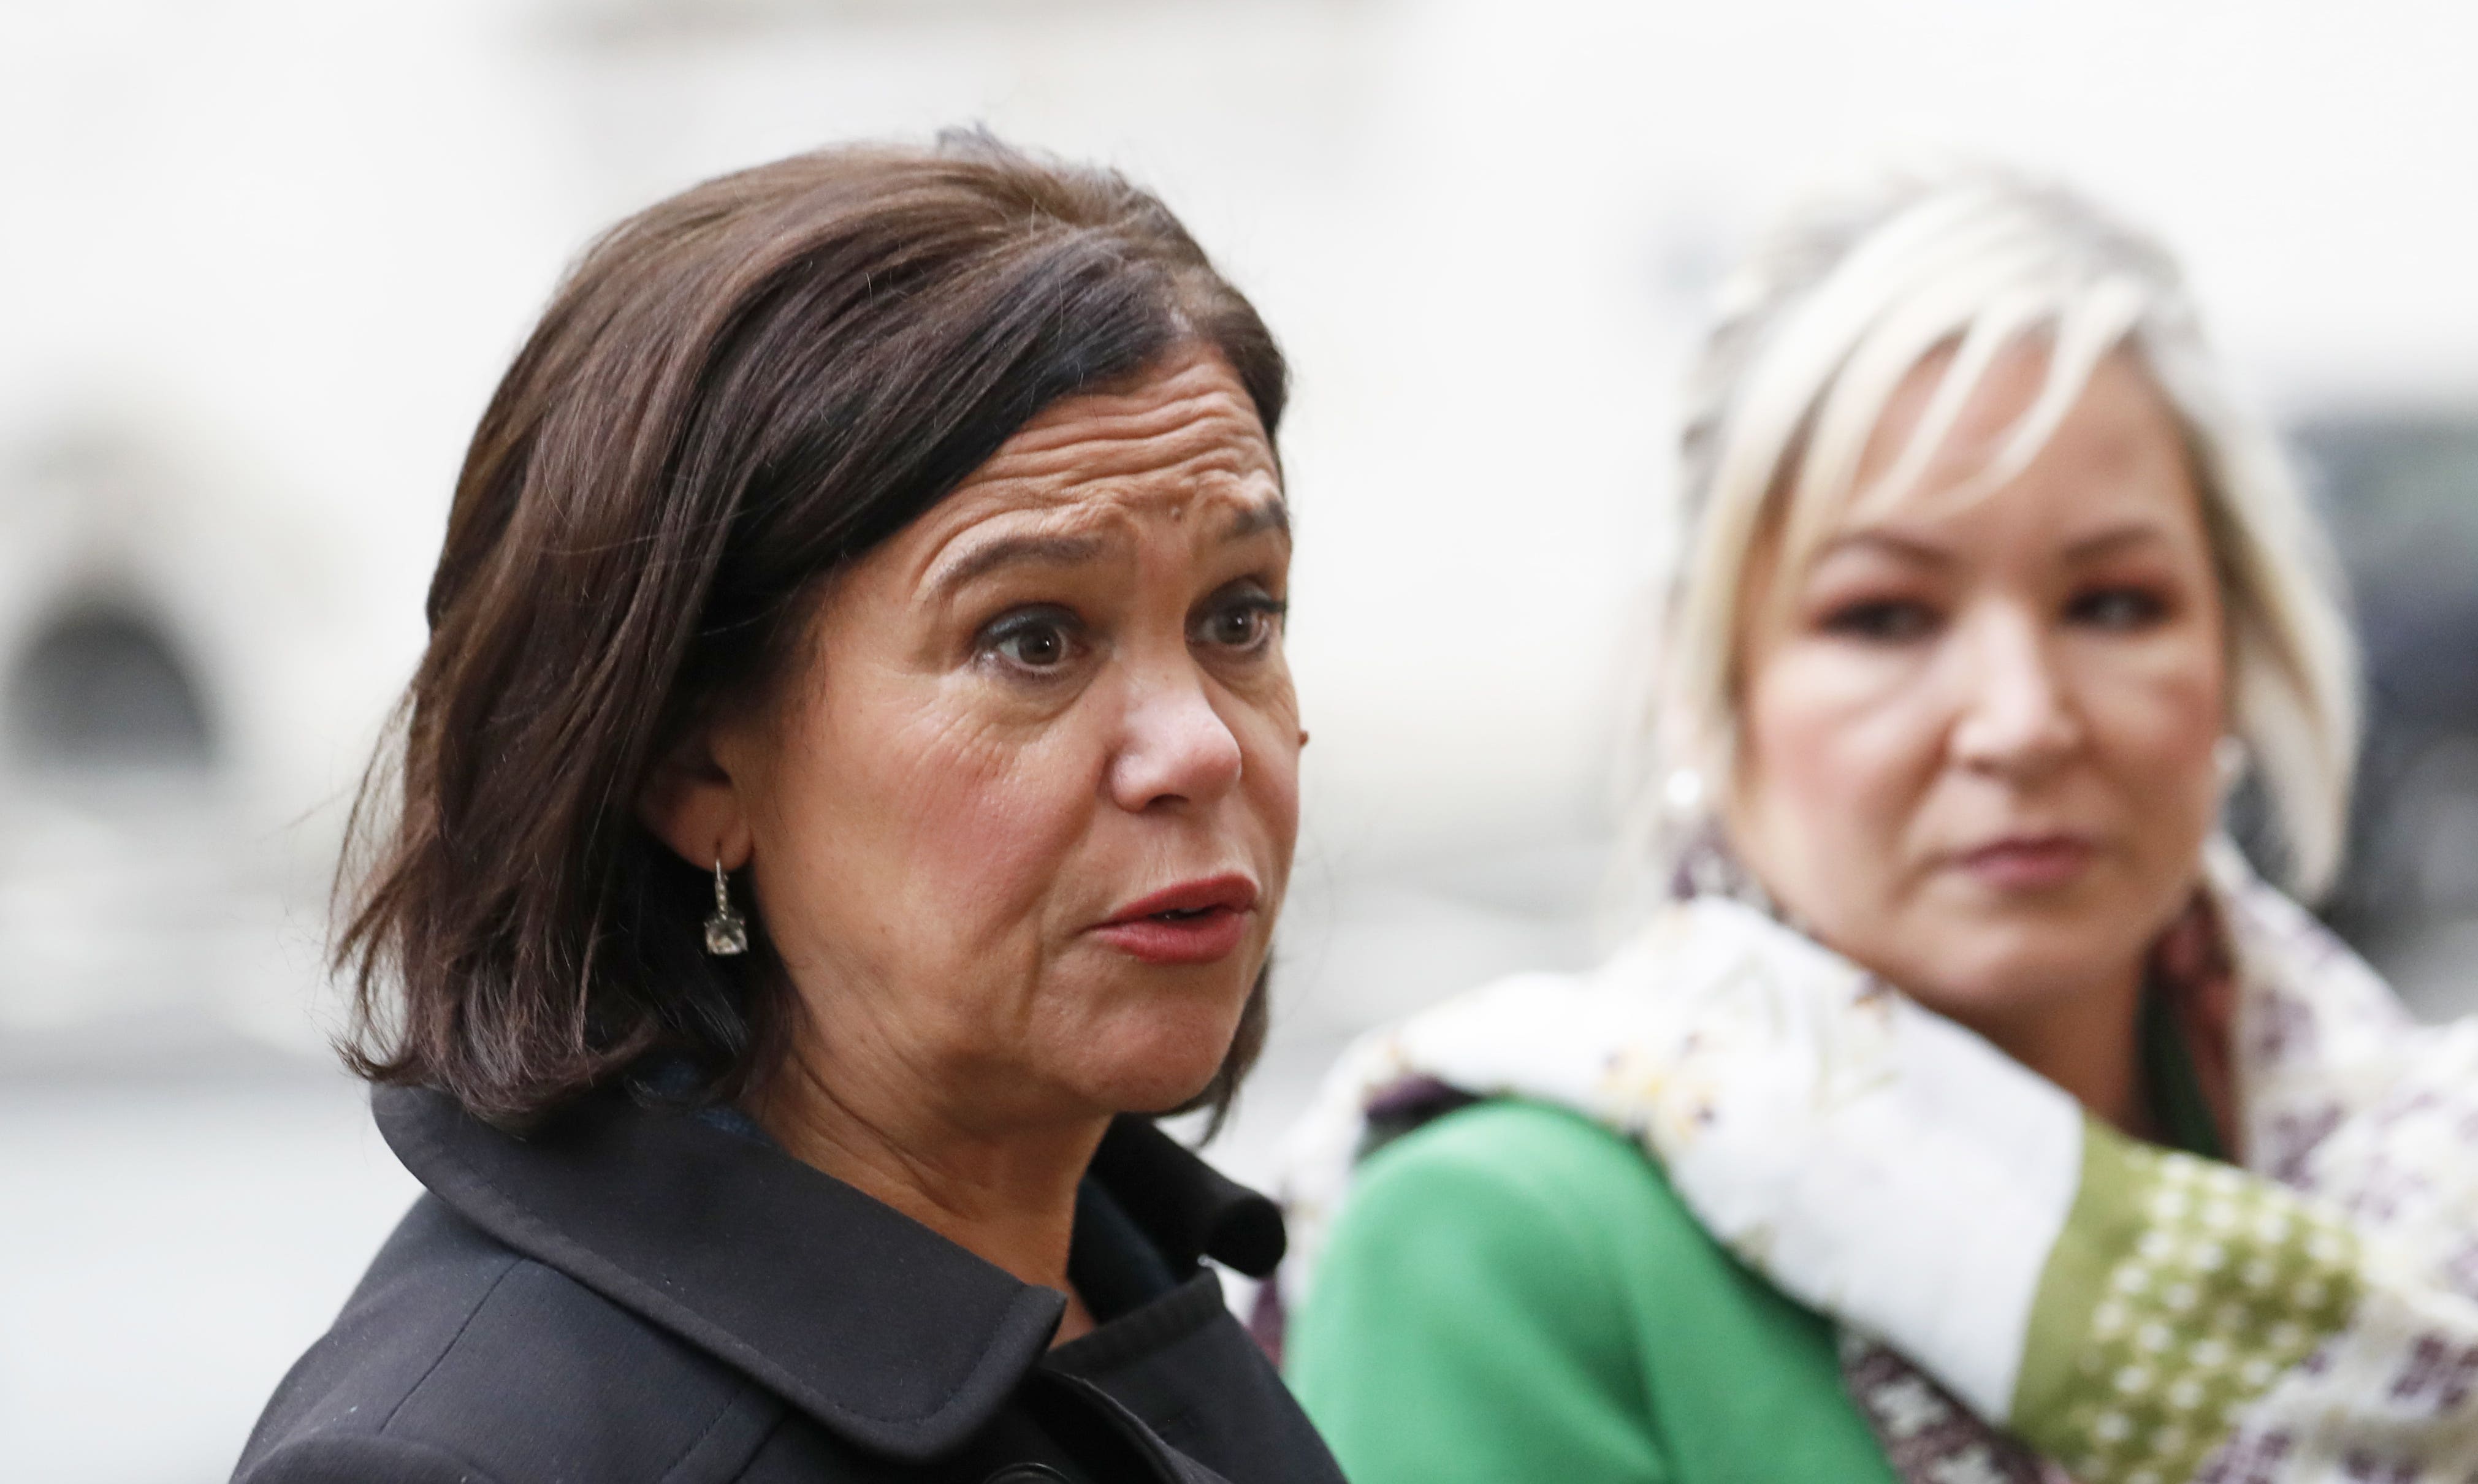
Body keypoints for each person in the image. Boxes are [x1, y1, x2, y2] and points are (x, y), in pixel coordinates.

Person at [1276, 172, 2478, 1484]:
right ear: (1704, 686)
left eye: (2114, 604)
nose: (2018, 721)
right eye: (1883, 618)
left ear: (2232, 654)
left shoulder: (2417, 1218)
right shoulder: (1496, 1249)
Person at [237, 135, 1344, 1484]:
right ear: (693, 770)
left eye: (1238, 616)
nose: (1198, 750)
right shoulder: (469, 1456)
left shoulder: (1119, 1283)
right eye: (1033, 641)